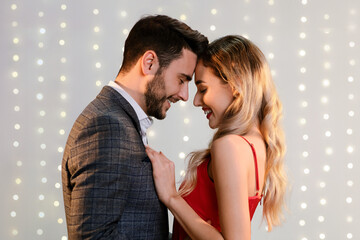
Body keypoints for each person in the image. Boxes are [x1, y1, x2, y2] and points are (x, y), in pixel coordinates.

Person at [61, 15, 208, 239]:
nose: (185, 95)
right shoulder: (107, 127)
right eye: (181, 79)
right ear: (149, 63)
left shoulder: (118, 120)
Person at [146, 35, 287, 239]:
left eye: (203, 89)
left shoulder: (229, 146)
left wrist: (171, 196)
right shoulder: (257, 145)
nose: (195, 101)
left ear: (235, 84)